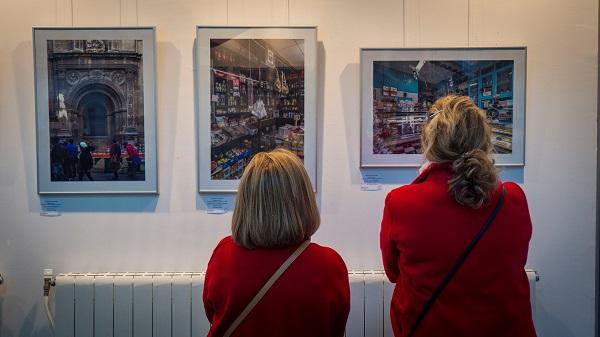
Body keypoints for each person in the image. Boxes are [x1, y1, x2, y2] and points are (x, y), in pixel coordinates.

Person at [380, 95, 536, 337]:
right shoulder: (513, 198)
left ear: (430, 141)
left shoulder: (401, 202)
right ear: (483, 139)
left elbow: (393, 273)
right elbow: (514, 264)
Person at [203, 149, 350, 337]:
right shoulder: (329, 263)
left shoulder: (224, 253)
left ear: (247, 200)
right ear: (304, 199)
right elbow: (335, 327)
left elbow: (213, 312)